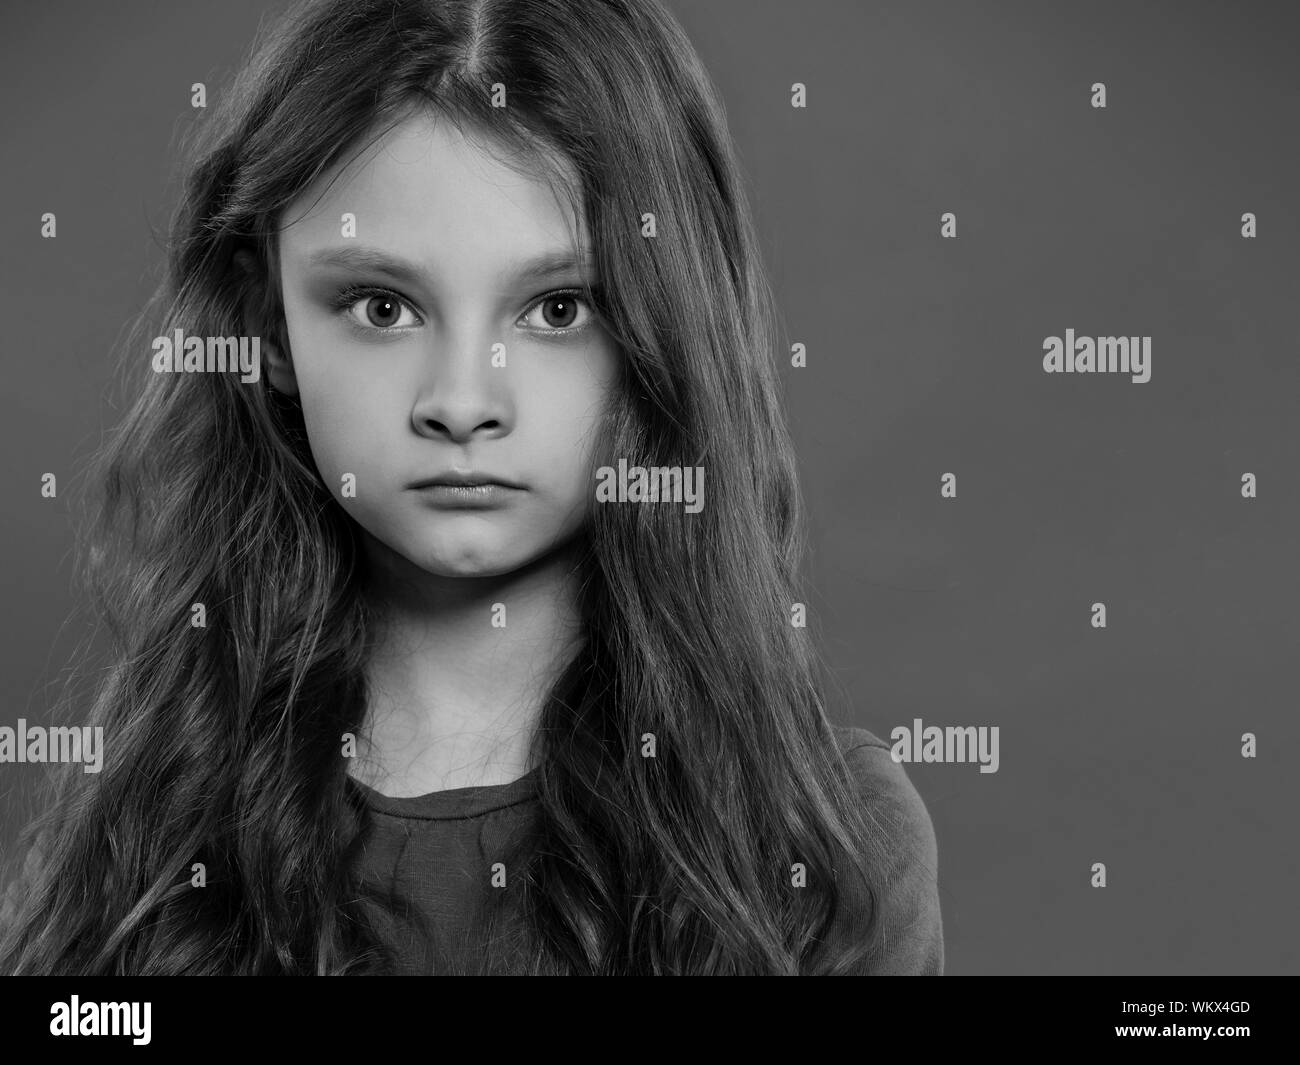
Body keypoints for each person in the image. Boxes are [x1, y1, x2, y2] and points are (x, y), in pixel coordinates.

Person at [0, 0, 942, 975]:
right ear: (268, 329)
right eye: (381, 306)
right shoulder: (152, 818)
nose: (460, 401)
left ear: (664, 328)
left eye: (557, 307)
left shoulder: (823, 844)